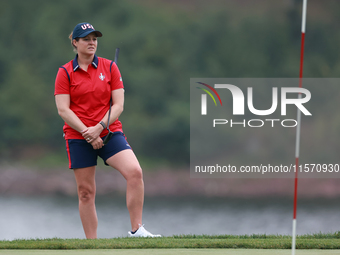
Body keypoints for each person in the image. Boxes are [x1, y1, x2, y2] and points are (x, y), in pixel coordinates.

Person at [54, 22, 161, 238]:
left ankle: (136, 230)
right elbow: (63, 110)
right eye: (86, 39)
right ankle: (92, 245)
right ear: (75, 43)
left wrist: (100, 127)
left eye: (94, 39)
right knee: (86, 193)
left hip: (109, 132)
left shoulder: (110, 67)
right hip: (78, 135)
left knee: (135, 173)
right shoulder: (65, 73)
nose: (92, 42)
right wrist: (88, 132)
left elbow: (119, 105)